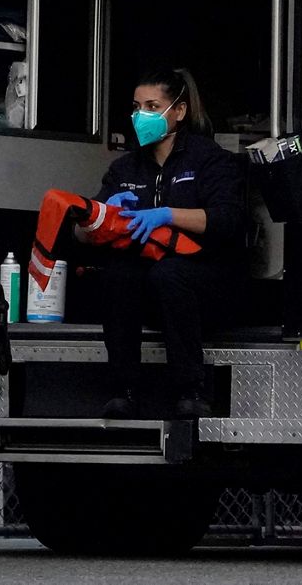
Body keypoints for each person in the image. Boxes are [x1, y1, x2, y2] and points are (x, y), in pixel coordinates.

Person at [92, 67, 243, 419]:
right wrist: (102, 214)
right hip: (148, 286)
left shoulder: (209, 160)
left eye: (151, 106)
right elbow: (85, 234)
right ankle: (123, 390)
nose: (140, 116)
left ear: (179, 110)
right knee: (118, 274)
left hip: (207, 283)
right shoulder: (124, 169)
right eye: (135, 106)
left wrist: (167, 214)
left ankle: (191, 390)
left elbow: (228, 220)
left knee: (171, 274)